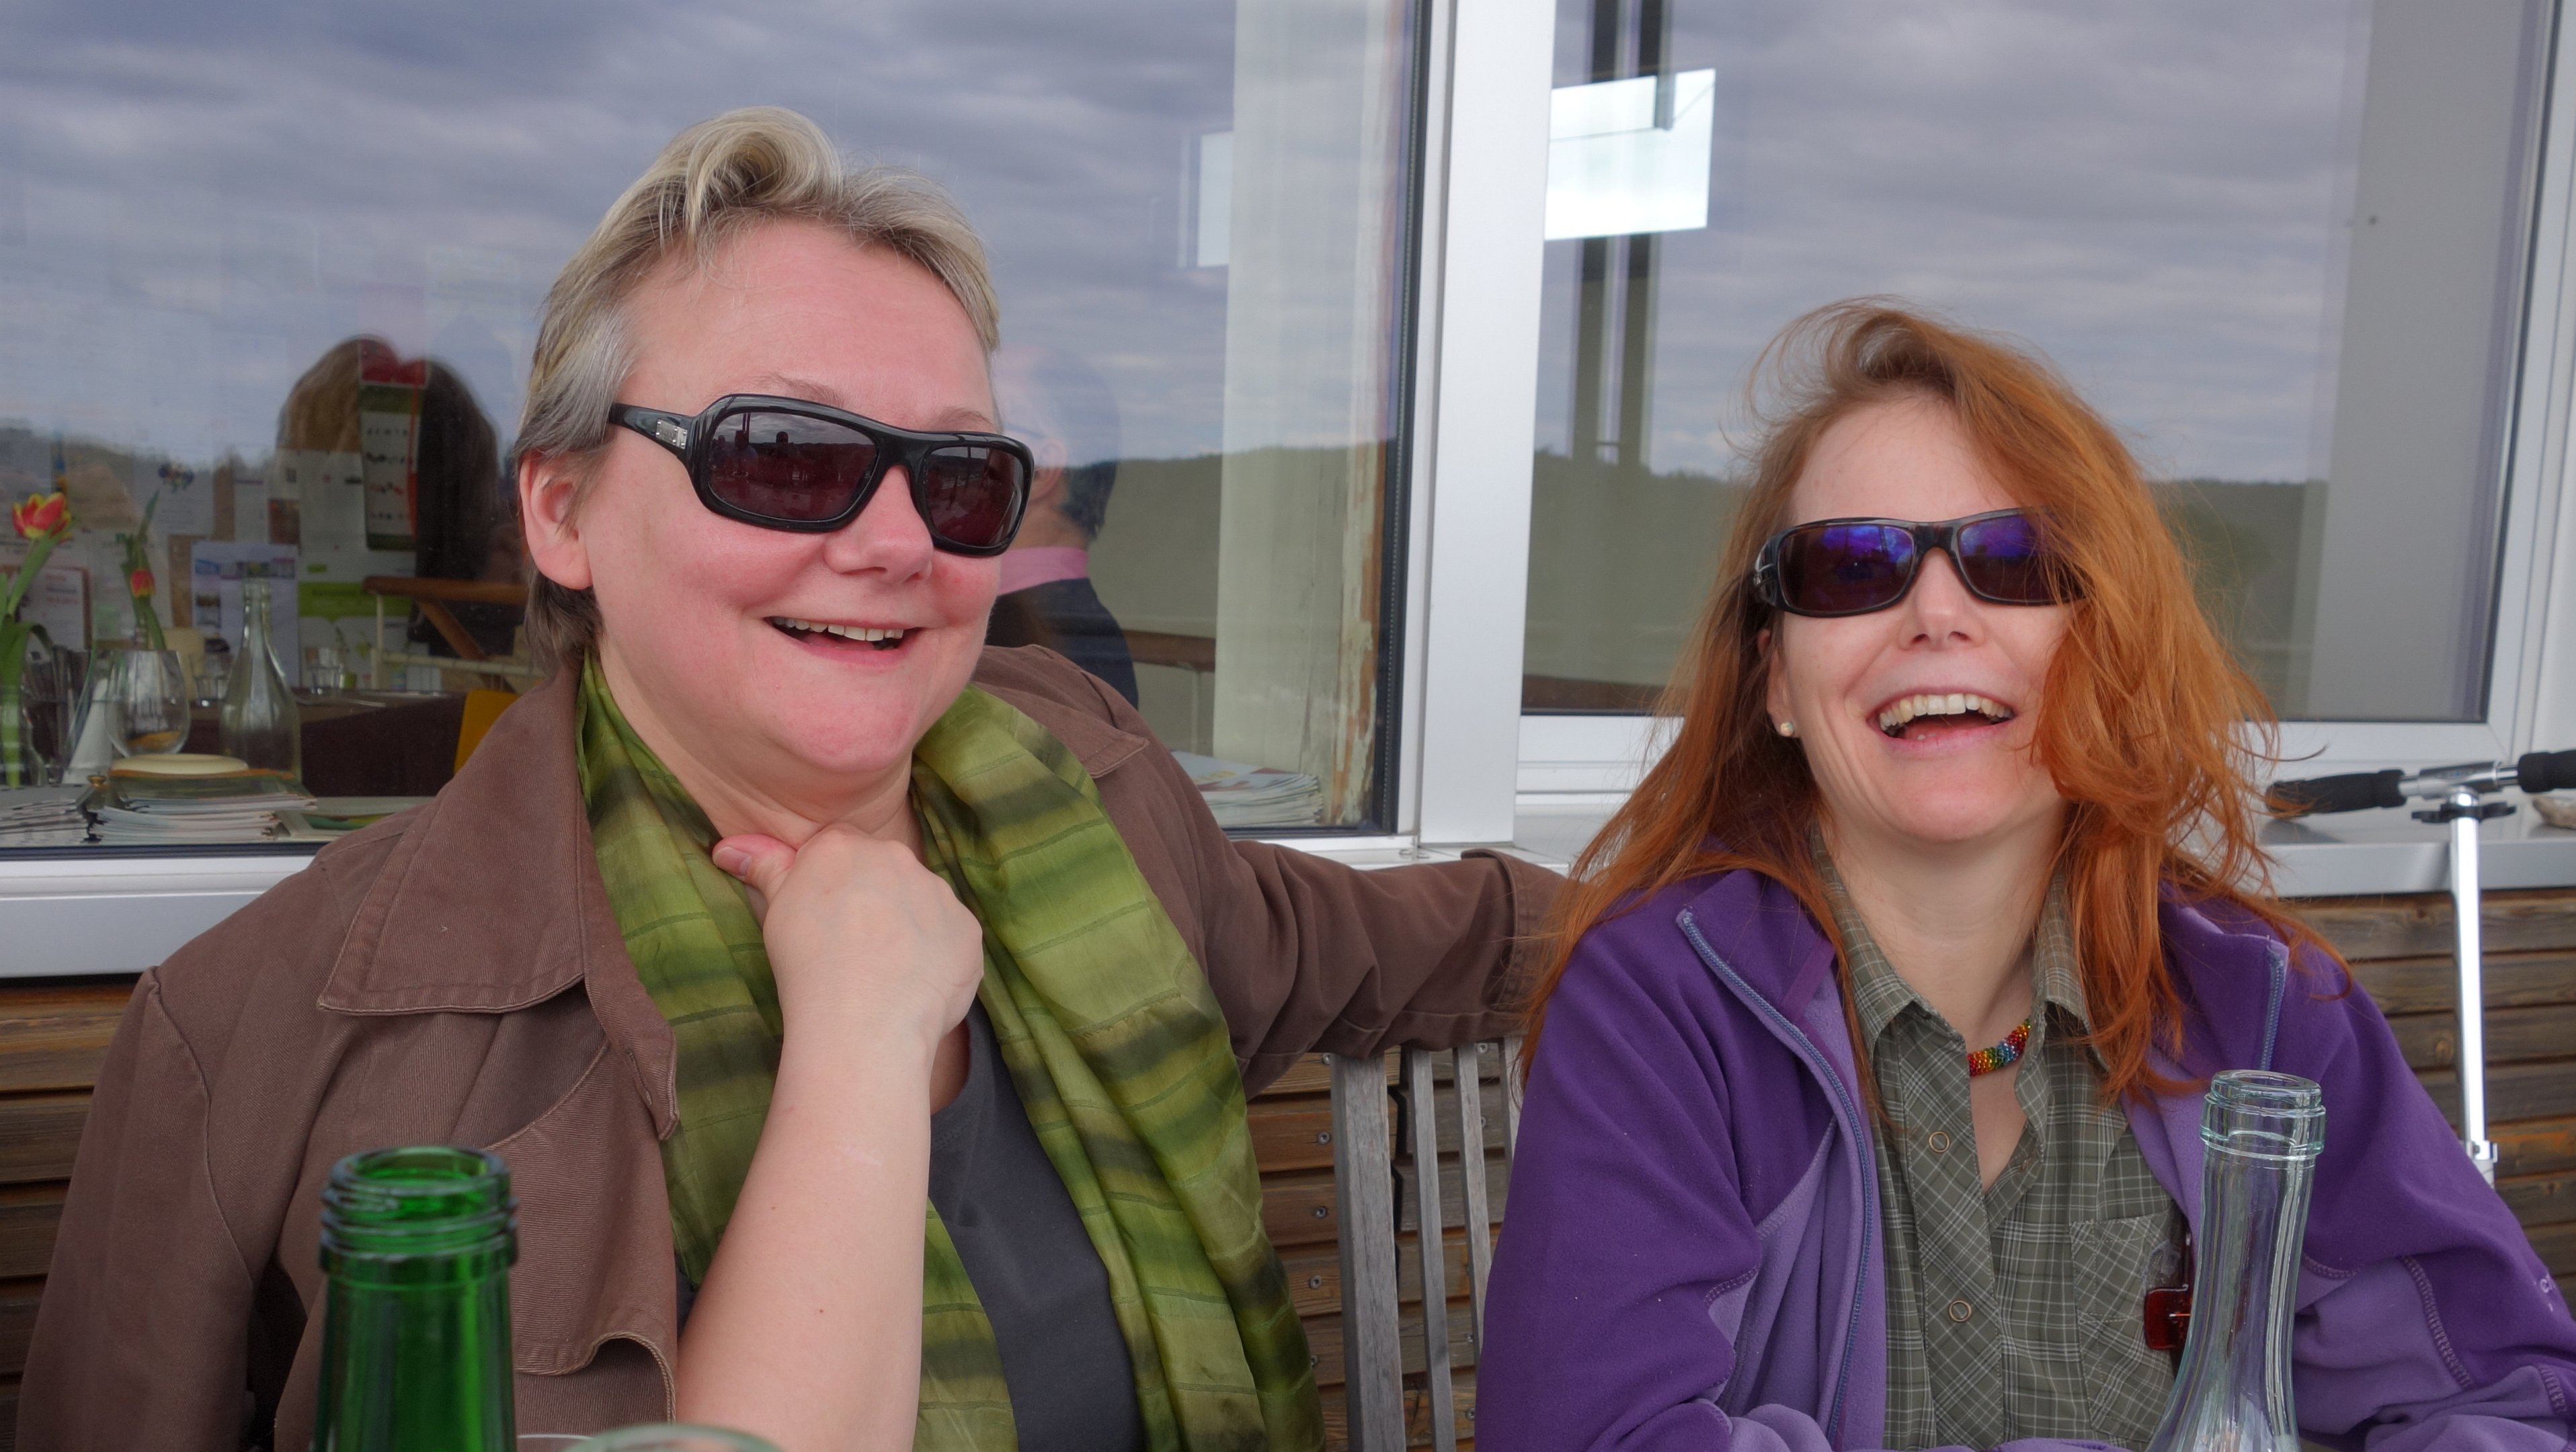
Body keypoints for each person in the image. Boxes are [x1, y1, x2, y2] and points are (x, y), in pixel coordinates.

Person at [21, 108, 1554, 1452]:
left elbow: (1431, 941)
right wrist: (865, 1024)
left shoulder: (1094, 804)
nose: (894, 541)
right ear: (562, 512)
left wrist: (1692, 907)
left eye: (958, 477)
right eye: (782, 455)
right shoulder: (264, 1040)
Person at [1479, 302, 2576, 1452]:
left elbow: (2512, 1402)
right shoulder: (1661, 1009)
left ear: (2106, 643)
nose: (1936, 614)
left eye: (2016, 559)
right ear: (1777, 682)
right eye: (1852, 566)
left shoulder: (2262, 1009)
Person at [981, 343, 1139, 704]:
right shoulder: (1086, 635)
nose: (955, 442)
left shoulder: (1018, 639)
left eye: (987, 422)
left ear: (1040, 470)